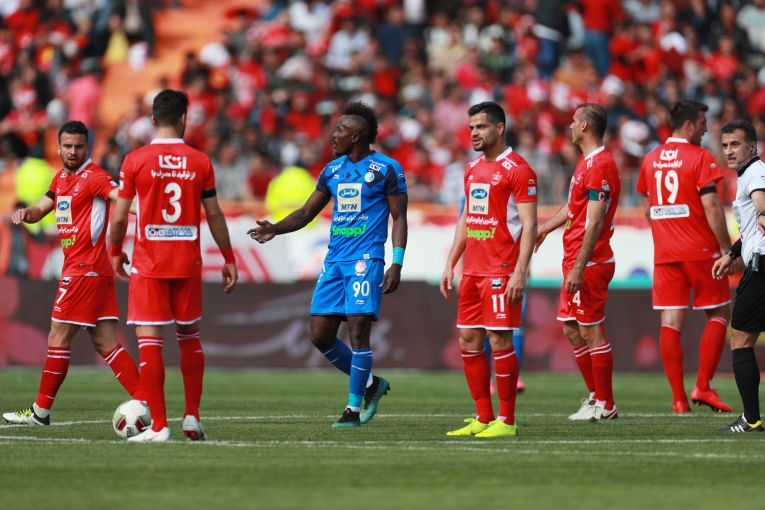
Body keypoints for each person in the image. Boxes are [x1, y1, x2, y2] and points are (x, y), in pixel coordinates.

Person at [248, 102, 407, 428]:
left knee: (358, 330)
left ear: (357, 136)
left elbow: (399, 216)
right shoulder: (332, 170)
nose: (333, 135)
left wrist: (397, 262)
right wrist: (275, 228)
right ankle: (371, 384)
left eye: (340, 130)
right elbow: (307, 213)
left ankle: (352, 410)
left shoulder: (386, 169)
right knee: (320, 335)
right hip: (334, 261)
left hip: (366, 259)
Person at [110, 89, 238, 442]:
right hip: (187, 262)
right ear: (184, 119)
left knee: (150, 341)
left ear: (153, 120)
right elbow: (214, 214)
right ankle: (192, 416)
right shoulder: (201, 161)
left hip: (149, 263)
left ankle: (159, 425)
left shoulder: (135, 160)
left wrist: (116, 250)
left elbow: (119, 216)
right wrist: (228, 257)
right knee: (189, 337)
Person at [3, 120, 143, 426]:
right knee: (105, 342)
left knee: (58, 335)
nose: (73, 151)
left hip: (84, 269)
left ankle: (40, 412)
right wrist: (27, 213)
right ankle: (147, 400)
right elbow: (41, 209)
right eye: (67, 146)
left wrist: (148, 210)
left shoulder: (95, 177)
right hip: (91, 270)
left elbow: (122, 198)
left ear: (87, 147)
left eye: (79, 146)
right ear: (57, 147)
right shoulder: (60, 179)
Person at [440, 101, 537, 438]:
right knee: (469, 338)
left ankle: (506, 421)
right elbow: (467, 218)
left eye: (480, 127)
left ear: (499, 128)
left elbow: (529, 224)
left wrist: (520, 271)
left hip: (501, 269)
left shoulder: (519, 170)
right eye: (471, 128)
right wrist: (451, 262)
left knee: (499, 339)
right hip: (473, 271)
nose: (474, 134)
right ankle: (483, 417)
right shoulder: (471, 169)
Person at [636, 100, 733, 414]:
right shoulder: (700, 157)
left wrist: (665, 230)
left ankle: (678, 399)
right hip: (700, 249)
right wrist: (726, 249)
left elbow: (646, 205)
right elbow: (712, 206)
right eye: (703, 123)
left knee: (670, 320)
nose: (705, 129)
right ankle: (703, 386)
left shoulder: (650, 159)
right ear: (689, 125)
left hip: (665, 253)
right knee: (719, 312)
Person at [535, 103, 620, 421]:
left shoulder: (600, 165)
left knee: (591, 330)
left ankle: (606, 404)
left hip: (590, 262)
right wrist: (544, 229)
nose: (569, 126)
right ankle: (597, 397)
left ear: (585, 125)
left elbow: (595, 221)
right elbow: (574, 207)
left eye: (573, 121)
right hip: (575, 259)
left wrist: (580, 267)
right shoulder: (587, 162)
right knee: (572, 329)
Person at [713, 120, 765, 432]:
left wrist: (763, 212)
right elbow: (749, 231)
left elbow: (761, 202)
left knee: (741, 340)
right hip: (755, 263)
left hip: (760, 270)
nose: (729, 151)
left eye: (736, 144)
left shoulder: (756, 173)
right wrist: (732, 254)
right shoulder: (748, 174)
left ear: (752, 146)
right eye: (725, 146)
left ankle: (751, 419)